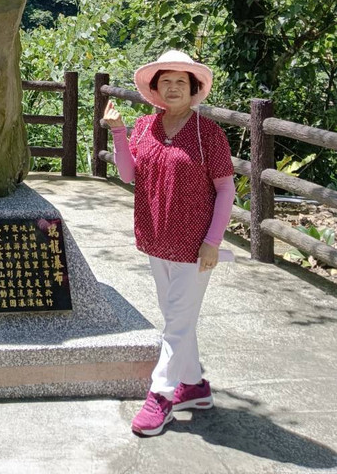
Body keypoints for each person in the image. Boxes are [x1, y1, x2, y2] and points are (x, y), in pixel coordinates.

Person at [102, 49, 235, 438]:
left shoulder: (208, 134)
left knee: (175, 323)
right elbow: (128, 175)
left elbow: (226, 191)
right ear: (156, 89)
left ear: (193, 90)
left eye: (181, 82)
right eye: (166, 81)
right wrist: (119, 131)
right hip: (156, 239)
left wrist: (213, 241)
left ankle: (160, 396)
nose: (174, 88)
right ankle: (193, 386)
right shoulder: (145, 127)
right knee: (178, 317)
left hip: (195, 247)